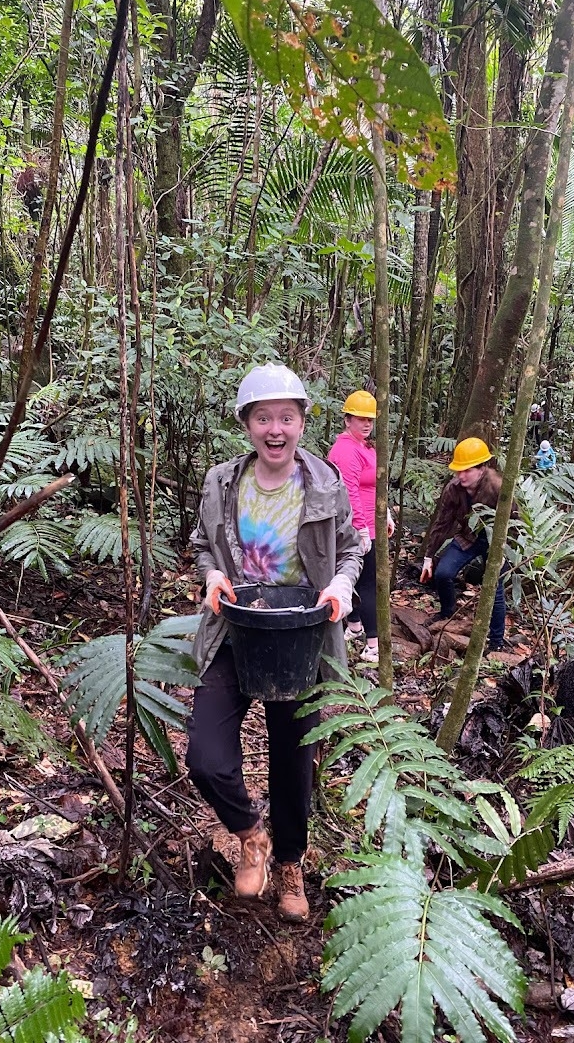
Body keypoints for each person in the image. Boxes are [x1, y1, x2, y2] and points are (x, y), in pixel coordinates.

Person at [186, 362, 362, 923]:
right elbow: (203, 544)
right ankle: (250, 835)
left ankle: (289, 862)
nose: (275, 429)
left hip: (300, 634)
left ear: (302, 423)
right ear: (247, 424)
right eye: (263, 418)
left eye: (286, 417)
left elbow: (352, 548)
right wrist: (213, 574)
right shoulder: (222, 482)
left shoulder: (325, 482)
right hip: (236, 628)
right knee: (206, 757)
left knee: (293, 757)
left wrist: (340, 584)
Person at [419, 437, 514, 652]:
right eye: (458, 471)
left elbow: (515, 521)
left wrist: (505, 553)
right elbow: (442, 523)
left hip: (496, 541)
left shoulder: (498, 487)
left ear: (481, 469)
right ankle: (447, 612)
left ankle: (496, 642)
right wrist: (428, 556)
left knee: (495, 588)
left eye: (467, 471)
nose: (461, 476)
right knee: (443, 573)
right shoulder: (454, 489)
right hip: (468, 536)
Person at [327, 389, 395, 664]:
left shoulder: (365, 446)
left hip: (371, 523)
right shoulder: (345, 450)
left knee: (362, 579)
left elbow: (375, 485)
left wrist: (385, 513)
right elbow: (349, 492)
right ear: (347, 420)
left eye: (369, 419)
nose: (366, 424)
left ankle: (354, 627)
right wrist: (362, 529)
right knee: (366, 583)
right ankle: (373, 644)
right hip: (356, 527)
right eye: (360, 419)